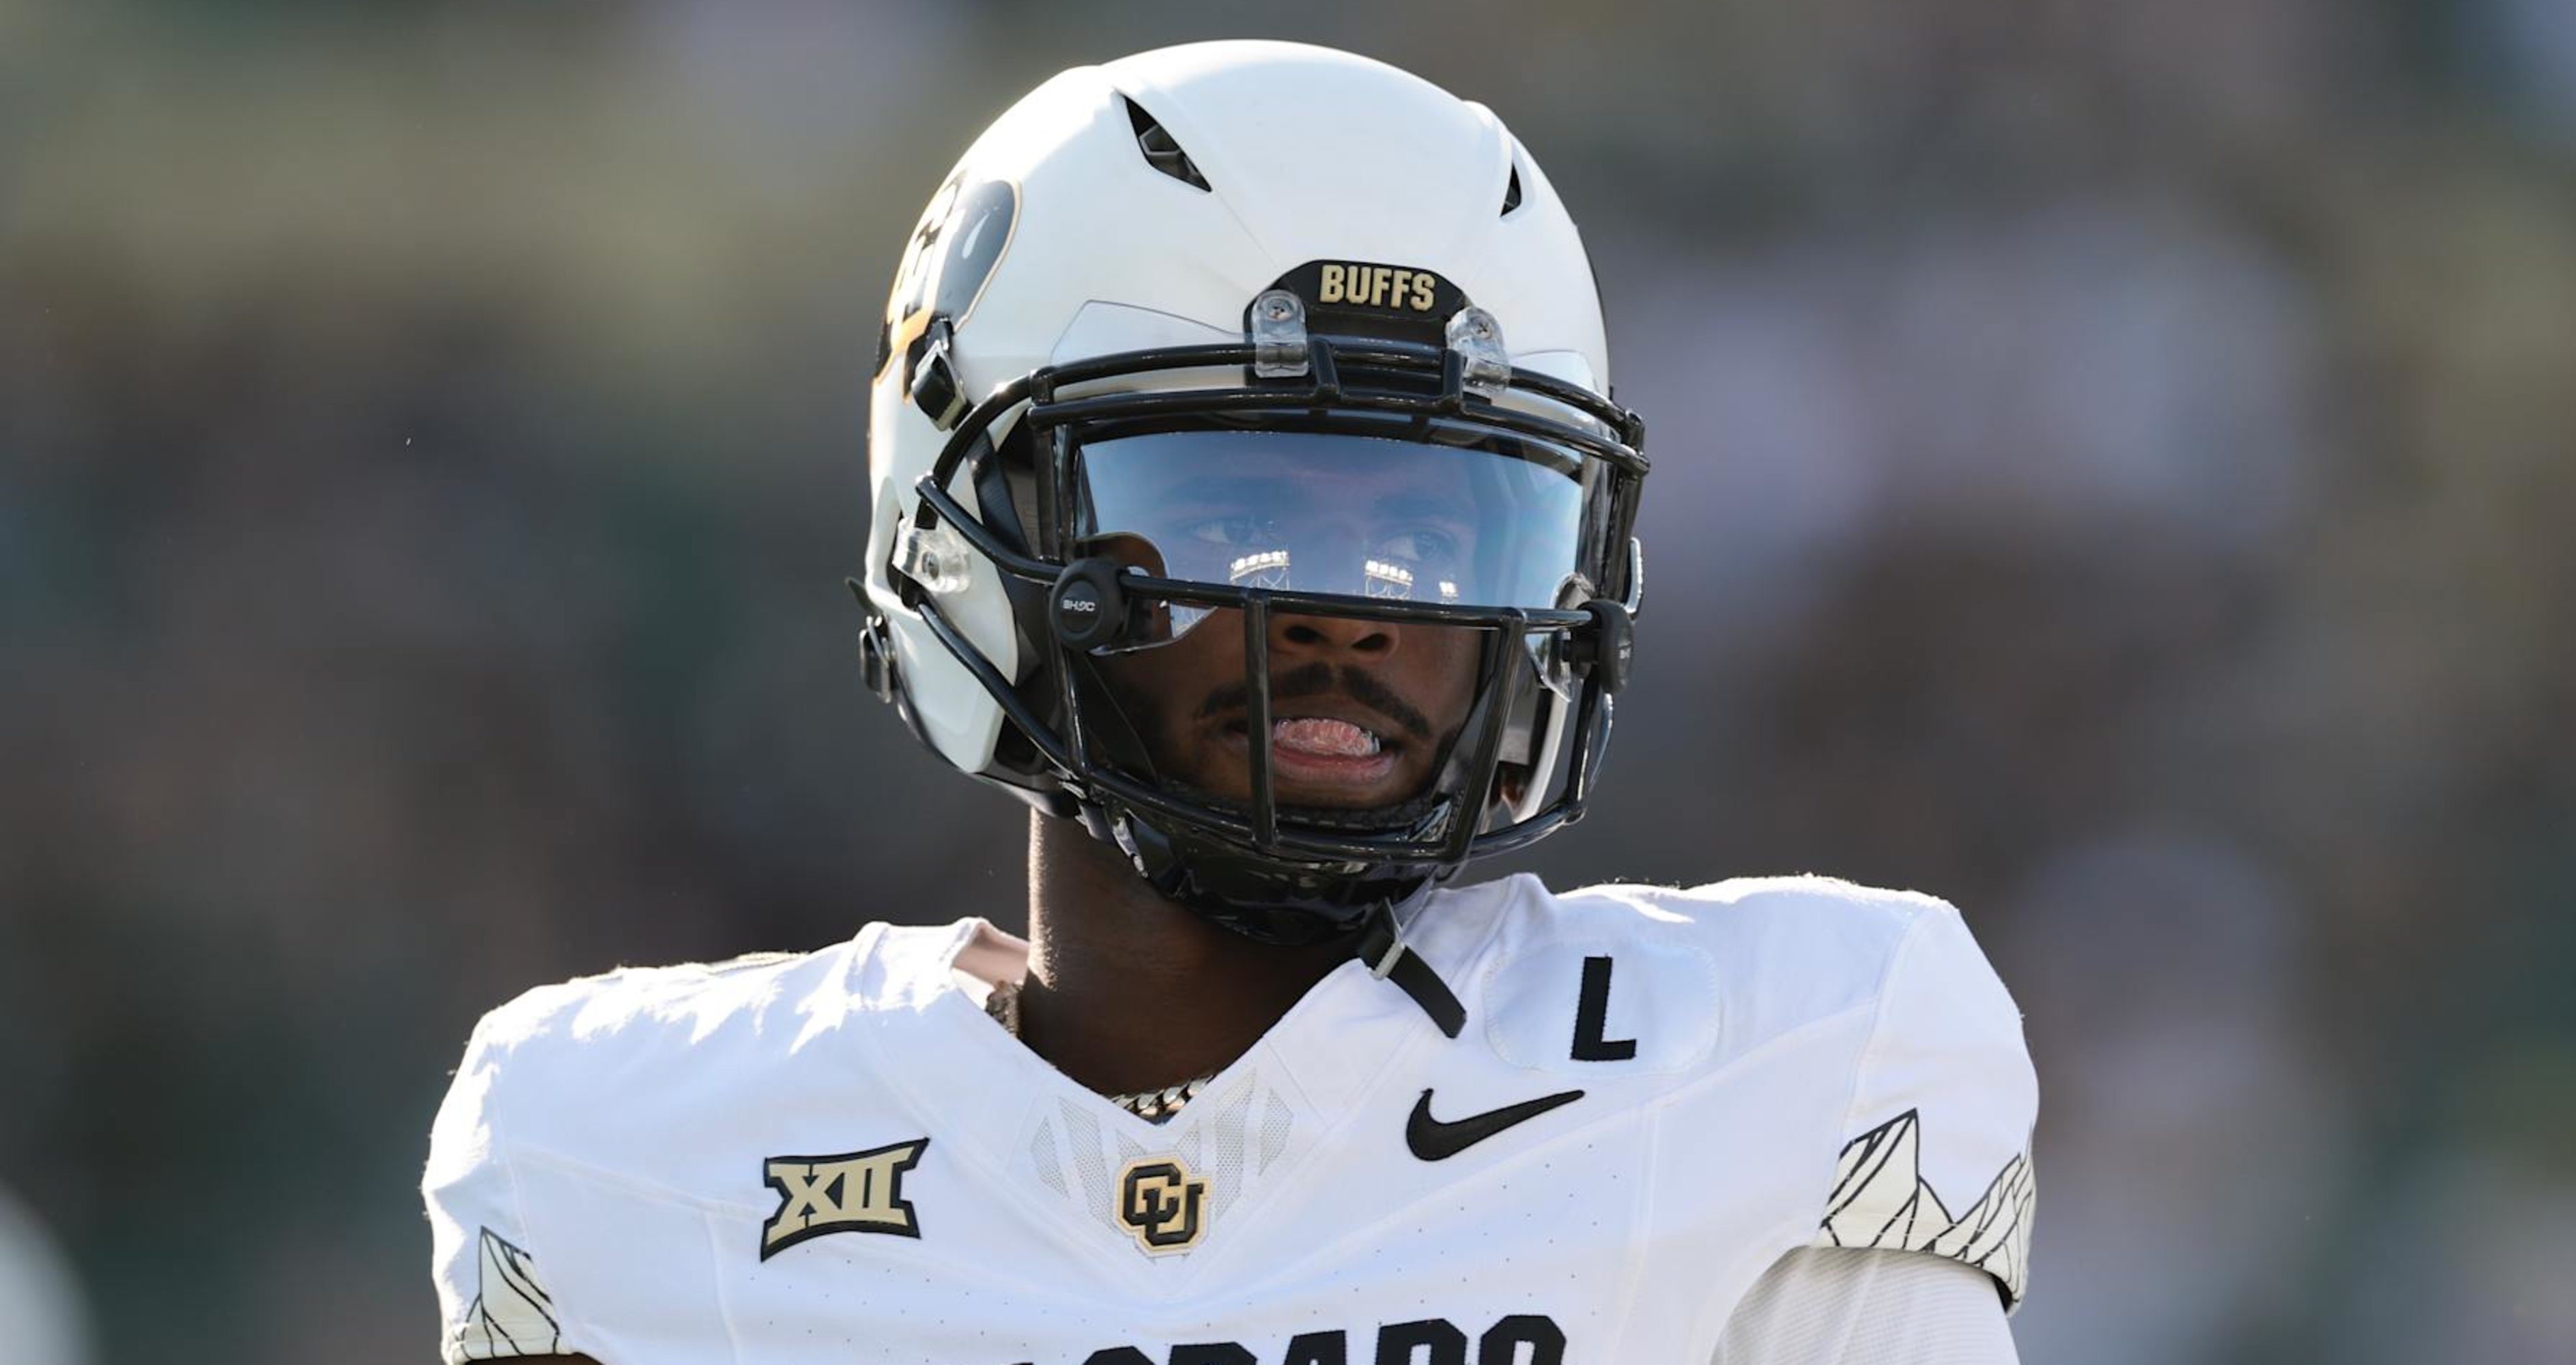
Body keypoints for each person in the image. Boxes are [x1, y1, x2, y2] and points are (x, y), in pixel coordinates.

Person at [425, 40, 2037, 1365]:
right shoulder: (615, 1155)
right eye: (1234, 517)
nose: (1348, 611)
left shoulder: (1798, 1058)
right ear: (975, 537)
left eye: (1431, 530)